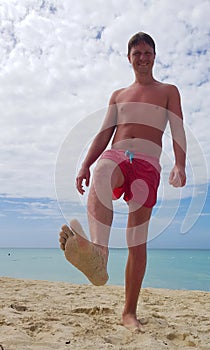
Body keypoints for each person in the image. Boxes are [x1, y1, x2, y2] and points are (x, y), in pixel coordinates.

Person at [59, 32, 186, 332]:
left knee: (136, 241)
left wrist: (180, 164)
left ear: (155, 56)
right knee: (101, 174)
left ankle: (129, 312)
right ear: (128, 59)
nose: (142, 58)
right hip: (117, 154)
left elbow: (178, 128)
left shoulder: (168, 90)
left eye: (147, 52)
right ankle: (99, 255)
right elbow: (104, 132)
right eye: (136, 53)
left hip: (147, 165)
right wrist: (85, 165)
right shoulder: (118, 95)